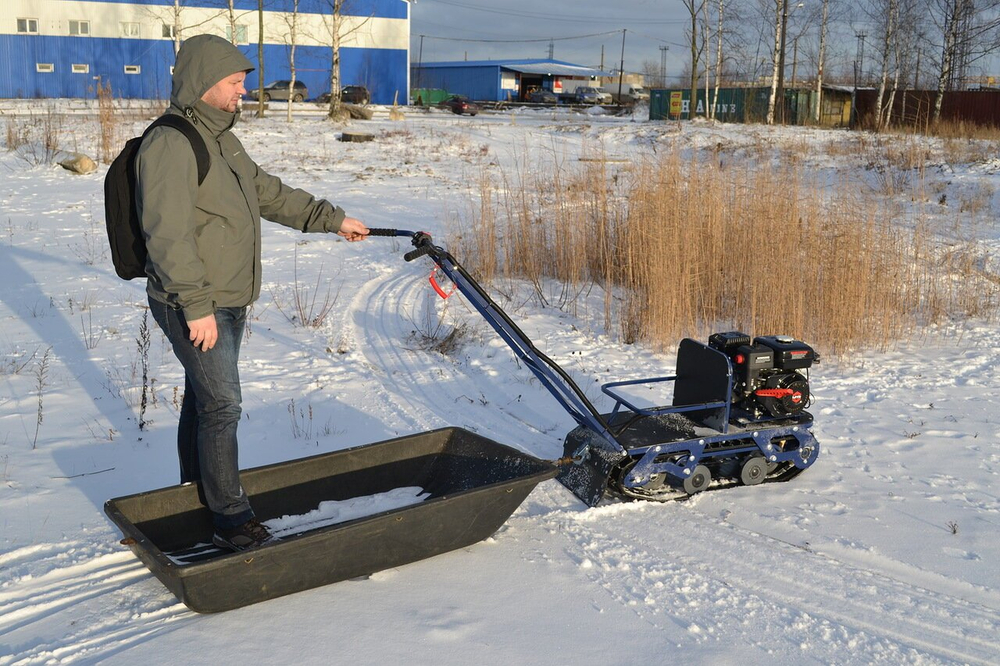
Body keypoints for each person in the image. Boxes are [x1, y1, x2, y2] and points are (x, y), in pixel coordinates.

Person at [135, 34, 369, 552]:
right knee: (223, 405)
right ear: (203, 83)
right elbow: (167, 235)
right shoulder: (171, 142)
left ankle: (196, 494)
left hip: (227, 298)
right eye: (236, 83)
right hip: (193, 300)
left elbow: (268, 192)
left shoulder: (222, 138)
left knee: (204, 400)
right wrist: (196, 307)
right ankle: (230, 519)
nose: (244, 91)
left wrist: (331, 220)